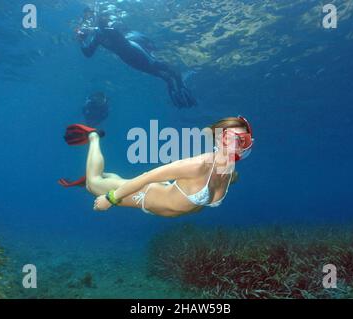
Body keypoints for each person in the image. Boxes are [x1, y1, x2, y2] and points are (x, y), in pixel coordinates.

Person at [58, 116, 254, 217]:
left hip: (162, 195)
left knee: (114, 181)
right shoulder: (198, 165)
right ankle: (93, 137)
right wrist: (110, 199)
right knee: (93, 184)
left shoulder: (229, 171)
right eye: (229, 137)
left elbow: (228, 179)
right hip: (146, 196)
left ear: (248, 142)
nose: (235, 144)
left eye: (242, 140)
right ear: (218, 138)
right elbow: (147, 176)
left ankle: (109, 179)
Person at [75, 7, 197, 108]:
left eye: (99, 18)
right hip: (128, 59)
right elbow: (88, 53)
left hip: (136, 49)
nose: (102, 20)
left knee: (157, 65)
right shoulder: (97, 36)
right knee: (159, 74)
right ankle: (175, 89)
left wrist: (90, 30)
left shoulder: (109, 28)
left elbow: (111, 31)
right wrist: (81, 41)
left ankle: (181, 84)